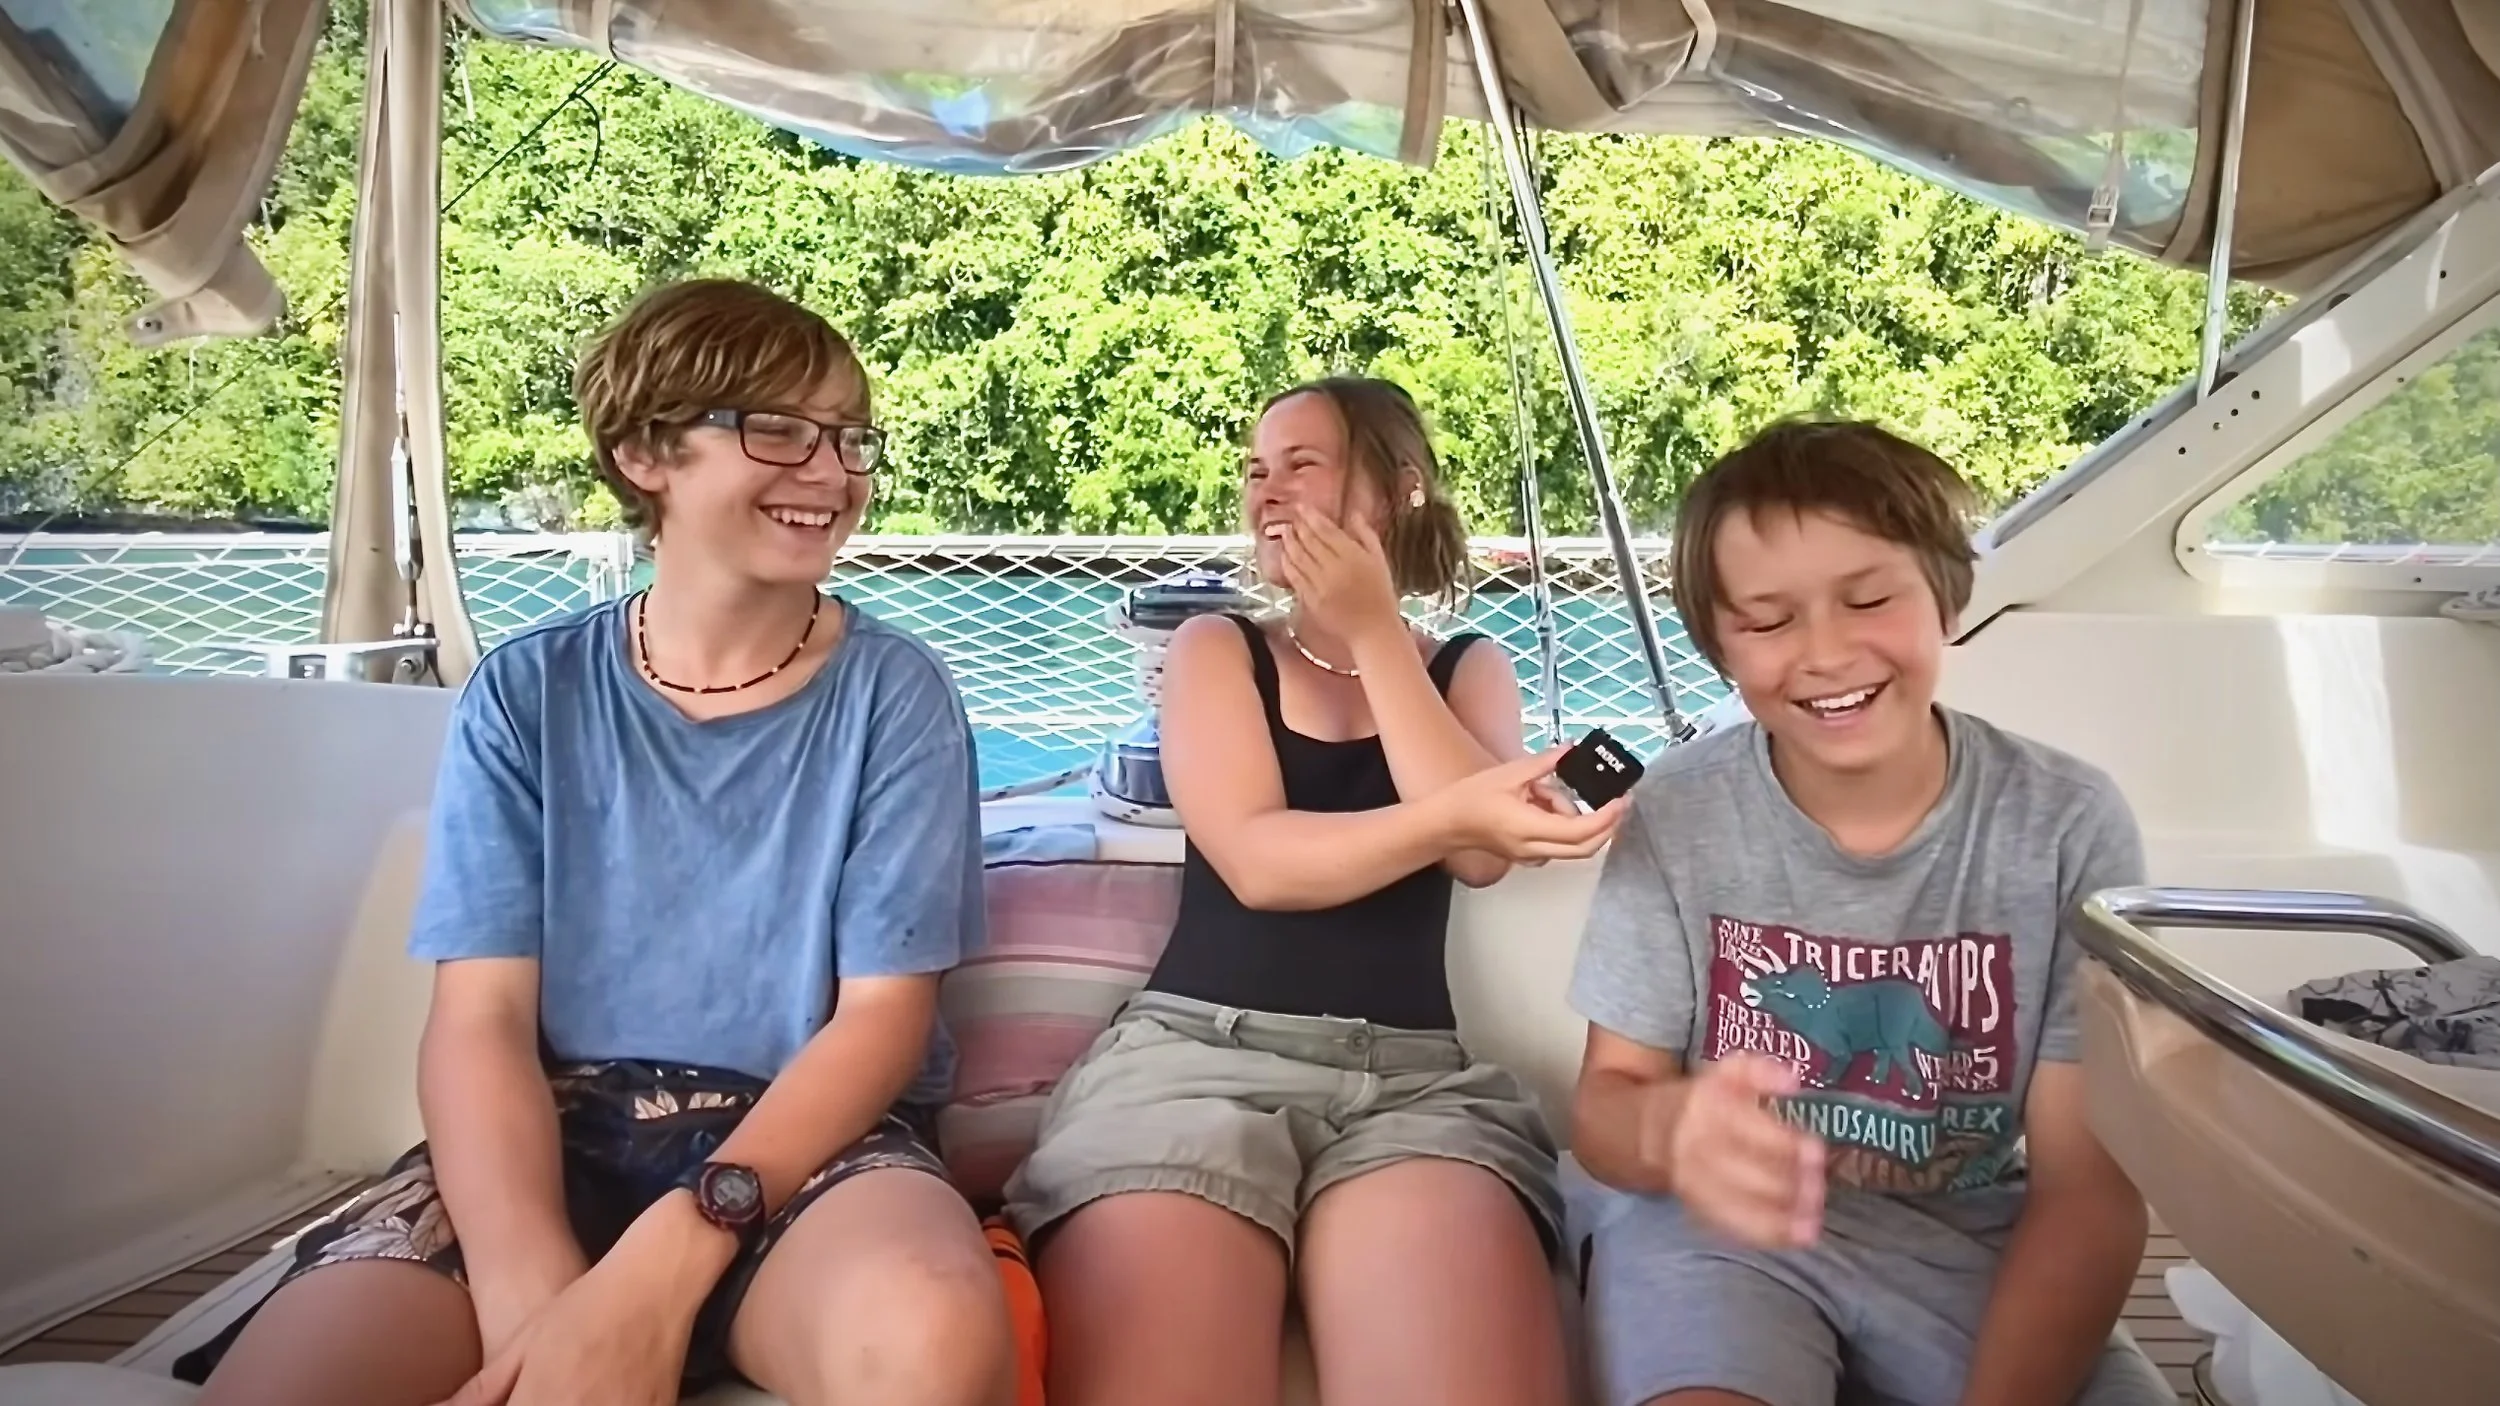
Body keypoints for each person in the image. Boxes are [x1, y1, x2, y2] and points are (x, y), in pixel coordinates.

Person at [182, 279, 1016, 1406]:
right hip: (556, 1134)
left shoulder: (894, 695)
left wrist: (676, 1250)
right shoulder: (529, 692)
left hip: (807, 1149)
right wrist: (538, 1303)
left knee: (930, 1340)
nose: (832, 470)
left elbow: (880, 1021)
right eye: (778, 428)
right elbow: (478, 1019)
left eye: (849, 435)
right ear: (643, 453)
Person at [1003, 376, 1625, 1406]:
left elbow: (1481, 856)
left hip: (1414, 1086)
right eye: (1256, 469)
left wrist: (1378, 636)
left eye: (1302, 464)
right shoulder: (1218, 647)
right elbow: (1259, 860)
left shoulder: (1469, 664)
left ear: (1398, 490)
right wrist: (1454, 814)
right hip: (1193, 1062)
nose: (1268, 490)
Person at [1566, 419, 2175, 1406]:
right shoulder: (1678, 810)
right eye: (1767, 620)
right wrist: (1673, 1131)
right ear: (1718, 642)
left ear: (1942, 593)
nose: (1825, 651)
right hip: (1722, 1232)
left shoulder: (2067, 820)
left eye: (1868, 597)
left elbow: (2087, 1188)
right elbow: (1607, 1106)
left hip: (1970, 1236)